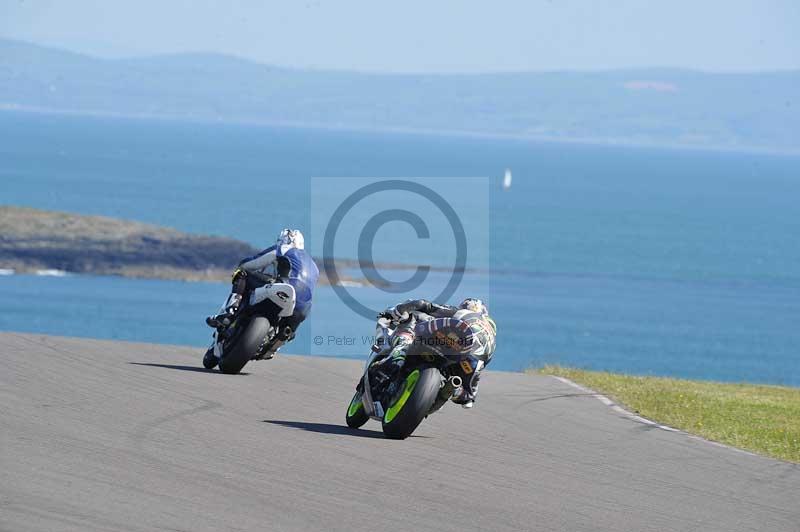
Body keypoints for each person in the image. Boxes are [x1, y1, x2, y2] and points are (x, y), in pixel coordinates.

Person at [205, 228, 318, 363]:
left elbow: (253, 263)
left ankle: (230, 311)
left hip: (284, 287)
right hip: (303, 306)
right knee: (287, 331)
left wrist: (241, 266)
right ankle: (278, 342)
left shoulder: (283, 249)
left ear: (284, 240)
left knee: (243, 274)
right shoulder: (314, 266)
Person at [381, 298, 496, 408]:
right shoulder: (491, 334)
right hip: (472, 359)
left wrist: (399, 309)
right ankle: (446, 390)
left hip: (447, 342)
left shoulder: (463, 313)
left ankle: (399, 355)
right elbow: (467, 400)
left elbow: (424, 305)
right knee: (466, 395)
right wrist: (454, 390)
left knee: (415, 317)